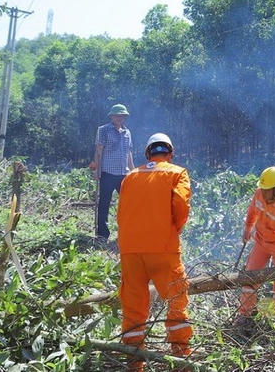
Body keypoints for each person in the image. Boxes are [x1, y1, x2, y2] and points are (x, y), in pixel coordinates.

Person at [117, 133, 192, 366]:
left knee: (133, 306)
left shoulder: (130, 176)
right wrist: (173, 230)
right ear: (169, 153)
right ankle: (180, 358)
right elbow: (181, 205)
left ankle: (133, 361)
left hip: (130, 250)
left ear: (148, 153)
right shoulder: (177, 173)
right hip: (163, 248)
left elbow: (120, 213)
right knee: (176, 303)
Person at [237, 166, 275, 329]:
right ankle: (245, 315)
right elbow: (252, 212)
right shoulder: (259, 193)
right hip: (261, 242)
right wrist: (248, 228)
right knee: (250, 277)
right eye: (262, 189)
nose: (262, 192)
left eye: (266, 190)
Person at [89, 104, 134, 241]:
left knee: (128, 203)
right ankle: (102, 234)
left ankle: (127, 231)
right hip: (107, 173)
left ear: (125, 117)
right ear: (111, 117)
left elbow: (128, 153)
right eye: (116, 115)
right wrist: (96, 170)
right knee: (104, 203)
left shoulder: (127, 132)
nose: (119, 118)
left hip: (123, 174)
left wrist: (133, 172)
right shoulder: (103, 130)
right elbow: (98, 150)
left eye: (121, 116)